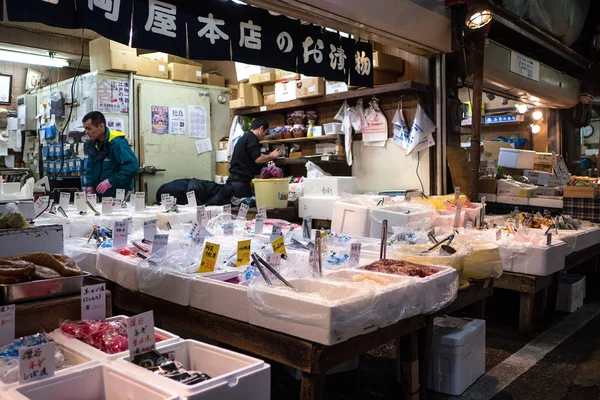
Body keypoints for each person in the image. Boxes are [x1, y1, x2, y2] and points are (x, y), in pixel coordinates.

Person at [83, 111, 139, 199]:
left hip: (119, 198)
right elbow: (90, 168)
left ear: (101, 126)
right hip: (101, 197)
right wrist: (90, 186)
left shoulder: (117, 143)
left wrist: (111, 181)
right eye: (85, 129)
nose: (86, 132)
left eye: (89, 128)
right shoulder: (93, 145)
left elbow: (132, 167)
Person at [225, 118, 281, 199]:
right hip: (239, 184)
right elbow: (258, 158)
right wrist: (272, 155)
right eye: (265, 133)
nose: (264, 136)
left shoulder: (246, 137)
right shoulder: (252, 138)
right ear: (261, 129)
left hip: (236, 182)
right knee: (243, 209)